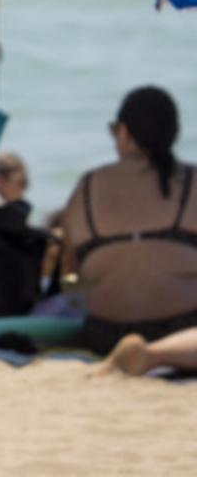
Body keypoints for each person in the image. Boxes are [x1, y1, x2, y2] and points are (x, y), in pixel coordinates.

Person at [61, 86, 197, 354]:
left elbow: (72, 270)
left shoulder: (87, 187)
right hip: (184, 329)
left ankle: (142, 355)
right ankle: (153, 356)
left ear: (124, 132)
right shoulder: (193, 182)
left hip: (104, 334)